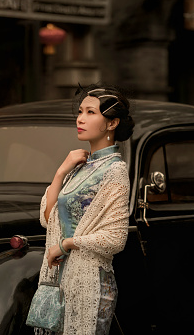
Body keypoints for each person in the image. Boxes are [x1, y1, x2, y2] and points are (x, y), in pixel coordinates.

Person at [36, 84, 134, 334]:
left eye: (91, 112)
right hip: (63, 280)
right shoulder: (79, 166)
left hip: (91, 282)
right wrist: (60, 172)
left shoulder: (115, 172)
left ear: (112, 123)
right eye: (80, 111)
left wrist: (65, 244)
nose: (80, 119)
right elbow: (49, 219)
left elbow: (115, 238)